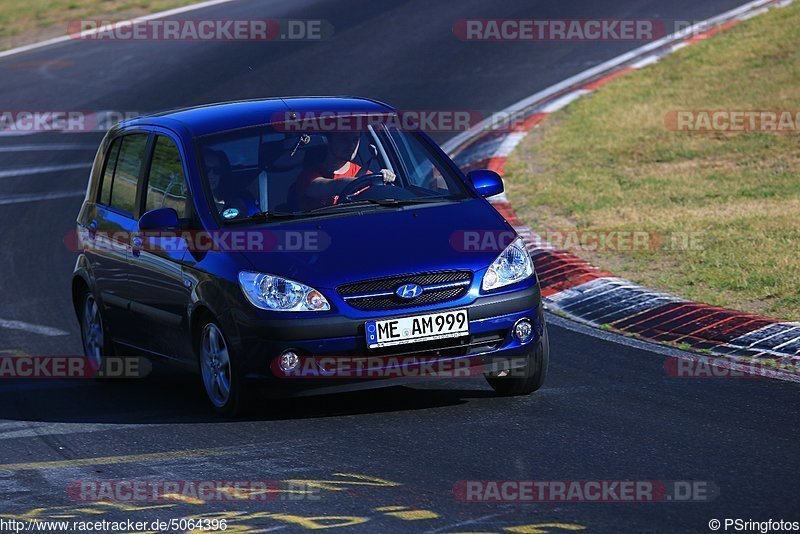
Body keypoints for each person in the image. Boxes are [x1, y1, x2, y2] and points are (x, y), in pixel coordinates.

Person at [297, 132, 395, 210]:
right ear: (330, 140)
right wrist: (363, 182)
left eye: (355, 140)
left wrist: (384, 180)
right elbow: (329, 186)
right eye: (344, 139)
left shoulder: (368, 176)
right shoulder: (309, 176)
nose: (351, 145)